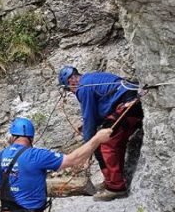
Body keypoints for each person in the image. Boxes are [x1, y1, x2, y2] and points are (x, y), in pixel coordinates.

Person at [58, 66, 142, 201]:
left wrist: (88, 144)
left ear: (71, 80)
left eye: (69, 89)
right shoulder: (91, 79)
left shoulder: (83, 87)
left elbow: (89, 117)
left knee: (107, 144)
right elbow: (101, 110)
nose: (72, 92)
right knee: (105, 142)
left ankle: (116, 188)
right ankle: (110, 180)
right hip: (128, 103)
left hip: (127, 105)